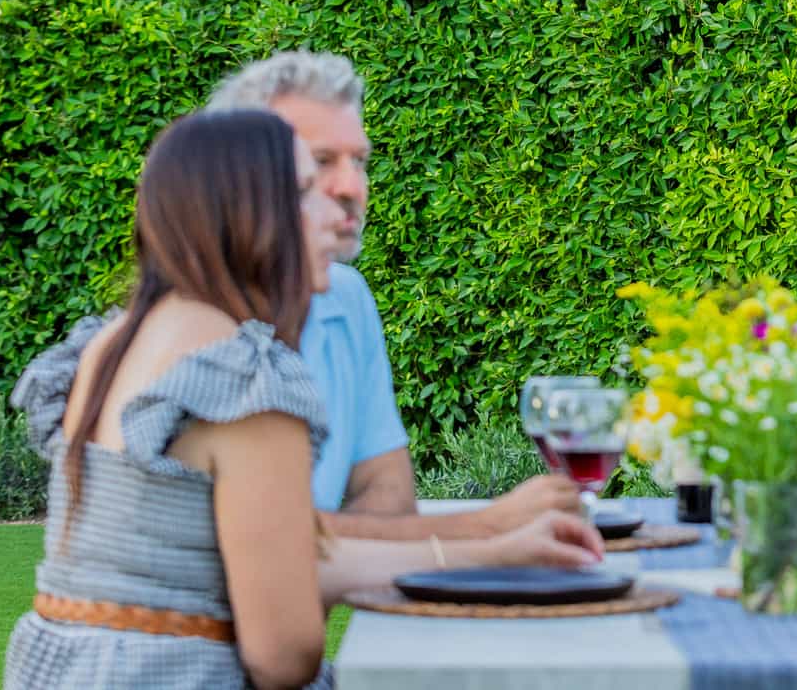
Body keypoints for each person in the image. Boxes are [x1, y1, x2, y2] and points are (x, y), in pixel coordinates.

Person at [5, 110, 601, 690]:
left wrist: (494, 547)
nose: (337, 209)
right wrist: (490, 549)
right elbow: (282, 655)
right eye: (305, 191)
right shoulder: (241, 380)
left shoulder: (115, 342)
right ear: (245, 215)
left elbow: (268, 555)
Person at [205, 51, 576, 540]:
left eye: (359, 161)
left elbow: (385, 492)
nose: (350, 187)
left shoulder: (344, 297)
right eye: (319, 162)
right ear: (242, 174)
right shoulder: (199, 326)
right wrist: (483, 528)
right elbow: (254, 547)